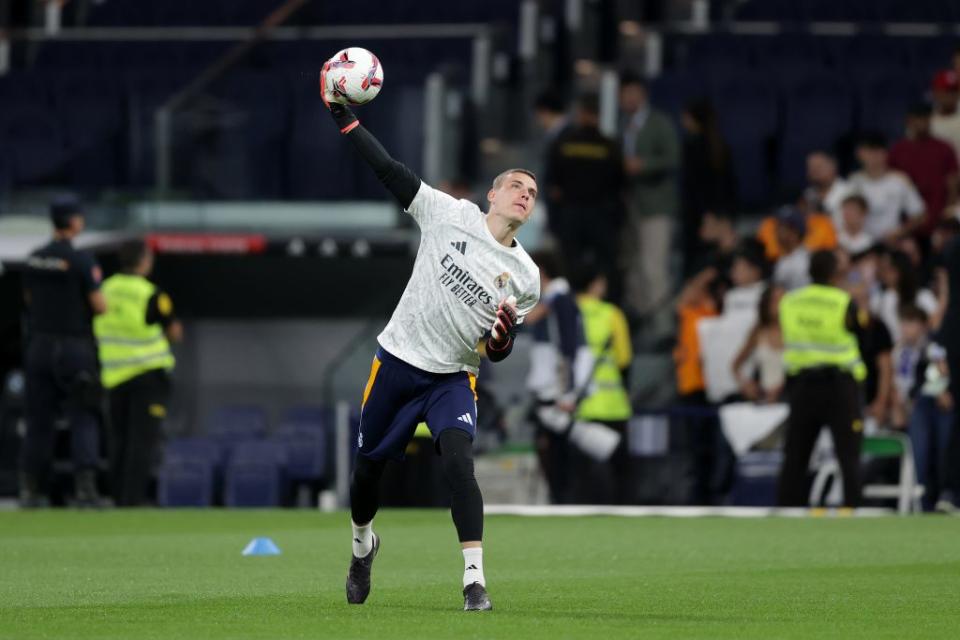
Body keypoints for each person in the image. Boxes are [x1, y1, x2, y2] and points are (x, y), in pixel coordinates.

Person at [319, 64, 541, 611]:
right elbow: (391, 172)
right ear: (492, 194)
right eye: (515, 185)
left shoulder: (528, 278)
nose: (524, 195)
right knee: (367, 469)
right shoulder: (449, 214)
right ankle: (361, 546)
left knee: (457, 464)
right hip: (398, 360)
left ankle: (473, 582)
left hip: (453, 378)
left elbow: (496, 350)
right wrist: (346, 121)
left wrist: (502, 341)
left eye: (532, 192)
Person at [19, 196, 107, 507]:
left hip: (39, 346)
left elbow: (30, 300)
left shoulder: (34, 258)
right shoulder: (82, 260)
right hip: (74, 347)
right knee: (83, 415)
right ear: (74, 221)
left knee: (38, 419)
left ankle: (30, 489)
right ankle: (85, 490)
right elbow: (100, 305)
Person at [93, 240, 181, 507]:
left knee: (117, 439)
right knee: (142, 441)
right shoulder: (150, 293)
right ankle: (131, 500)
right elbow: (175, 332)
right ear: (144, 261)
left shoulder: (104, 289)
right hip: (147, 375)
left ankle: (116, 497)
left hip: (113, 375)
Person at [777, 250, 866, 507]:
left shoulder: (790, 301)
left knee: (795, 455)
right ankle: (854, 510)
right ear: (835, 273)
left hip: (802, 385)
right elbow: (860, 332)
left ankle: (786, 512)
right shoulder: (843, 300)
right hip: (839, 386)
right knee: (848, 454)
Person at [524, 251, 593, 505]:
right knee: (553, 450)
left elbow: (569, 349)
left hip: (558, 389)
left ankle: (564, 500)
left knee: (559, 452)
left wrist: (568, 392)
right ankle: (559, 498)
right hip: (553, 387)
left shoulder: (559, 301)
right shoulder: (552, 301)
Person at [544, 94, 625, 300]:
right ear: (598, 116)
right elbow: (620, 185)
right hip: (601, 215)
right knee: (606, 266)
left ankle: (572, 306)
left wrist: (556, 219)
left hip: (571, 214)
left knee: (569, 265)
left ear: (581, 115)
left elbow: (552, 186)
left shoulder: (564, 144)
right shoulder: (609, 146)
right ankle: (607, 305)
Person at [619, 72, 681, 320]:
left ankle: (662, 323)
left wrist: (643, 165)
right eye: (624, 95)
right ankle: (642, 319)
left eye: (633, 93)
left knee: (653, 266)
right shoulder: (623, 125)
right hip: (631, 206)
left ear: (643, 95)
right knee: (634, 269)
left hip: (657, 205)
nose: (628, 99)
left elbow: (673, 158)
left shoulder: (659, 123)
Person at [571, 262, 633, 504]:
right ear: (595, 284)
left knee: (584, 471)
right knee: (618, 468)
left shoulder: (568, 311)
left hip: (579, 405)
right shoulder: (611, 314)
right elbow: (624, 357)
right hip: (613, 405)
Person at [890, 306, 953, 511]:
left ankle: (945, 496)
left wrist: (941, 389)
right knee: (920, 453)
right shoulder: (900, 350)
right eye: (904, 323)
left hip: (934, 403)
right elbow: (900, 383)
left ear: (923, 326)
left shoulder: (931, 345)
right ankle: (925, 502)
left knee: (942, 450)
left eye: (911, 323)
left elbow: (941, 367)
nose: (907, 328)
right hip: (916, 405)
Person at [679, 98, 736, 276]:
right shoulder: (720, 144)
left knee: (699, 266)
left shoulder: (694, 146)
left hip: (701, 217)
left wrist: (708, 216)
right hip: (716, 215)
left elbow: (695, 186)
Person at [889, 103, 959, 236]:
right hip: (908, 220)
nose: (922, 123)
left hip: (938, 215)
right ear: (908, 121)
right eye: (918, 118)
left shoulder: (944, 148)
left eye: (926, 118)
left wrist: (949, 209)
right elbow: (892, 181)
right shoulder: (898, 149)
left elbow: (953, 181)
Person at [848, 133, 926, 243]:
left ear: (886, 154)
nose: (873, 156)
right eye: (869, 151)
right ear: (860, 154)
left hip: (892, 241)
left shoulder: (899, 180)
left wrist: (900, 232)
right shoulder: (854, 181)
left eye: (878, 151)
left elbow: (919, 215)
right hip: (861, 243)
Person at [871, 249, 942, 343]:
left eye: (889, 269)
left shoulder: (922, 296)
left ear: (901, 269)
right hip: (895, 350)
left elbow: (936, 323)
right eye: (882, 269)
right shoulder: (879, 299)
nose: (885, 274)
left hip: (923, 348)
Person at [731, 285, 785, 403]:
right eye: (775, 300)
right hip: (764, 398)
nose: (779, 305)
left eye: (783, 300)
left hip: (790, 396)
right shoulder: (758, 331)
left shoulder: (794, 332)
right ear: (766, 303)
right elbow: (735, 365)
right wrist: (746, 385)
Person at [803, 150, 851, 228]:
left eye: (819, 167)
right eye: (811, 167)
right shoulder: (808, 194)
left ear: (833, 166)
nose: (814, 171)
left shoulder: (849, 192)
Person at [771, 206, 811, 291]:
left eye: (783, 228)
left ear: (795, 233)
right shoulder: (784, 258)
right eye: (778, 227)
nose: (777, 232)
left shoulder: (804, 262)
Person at [930, 70, 960, 163]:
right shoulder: (928, 121)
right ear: (936, 92)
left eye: (953, 91)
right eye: (946, 91)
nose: (950, 95)